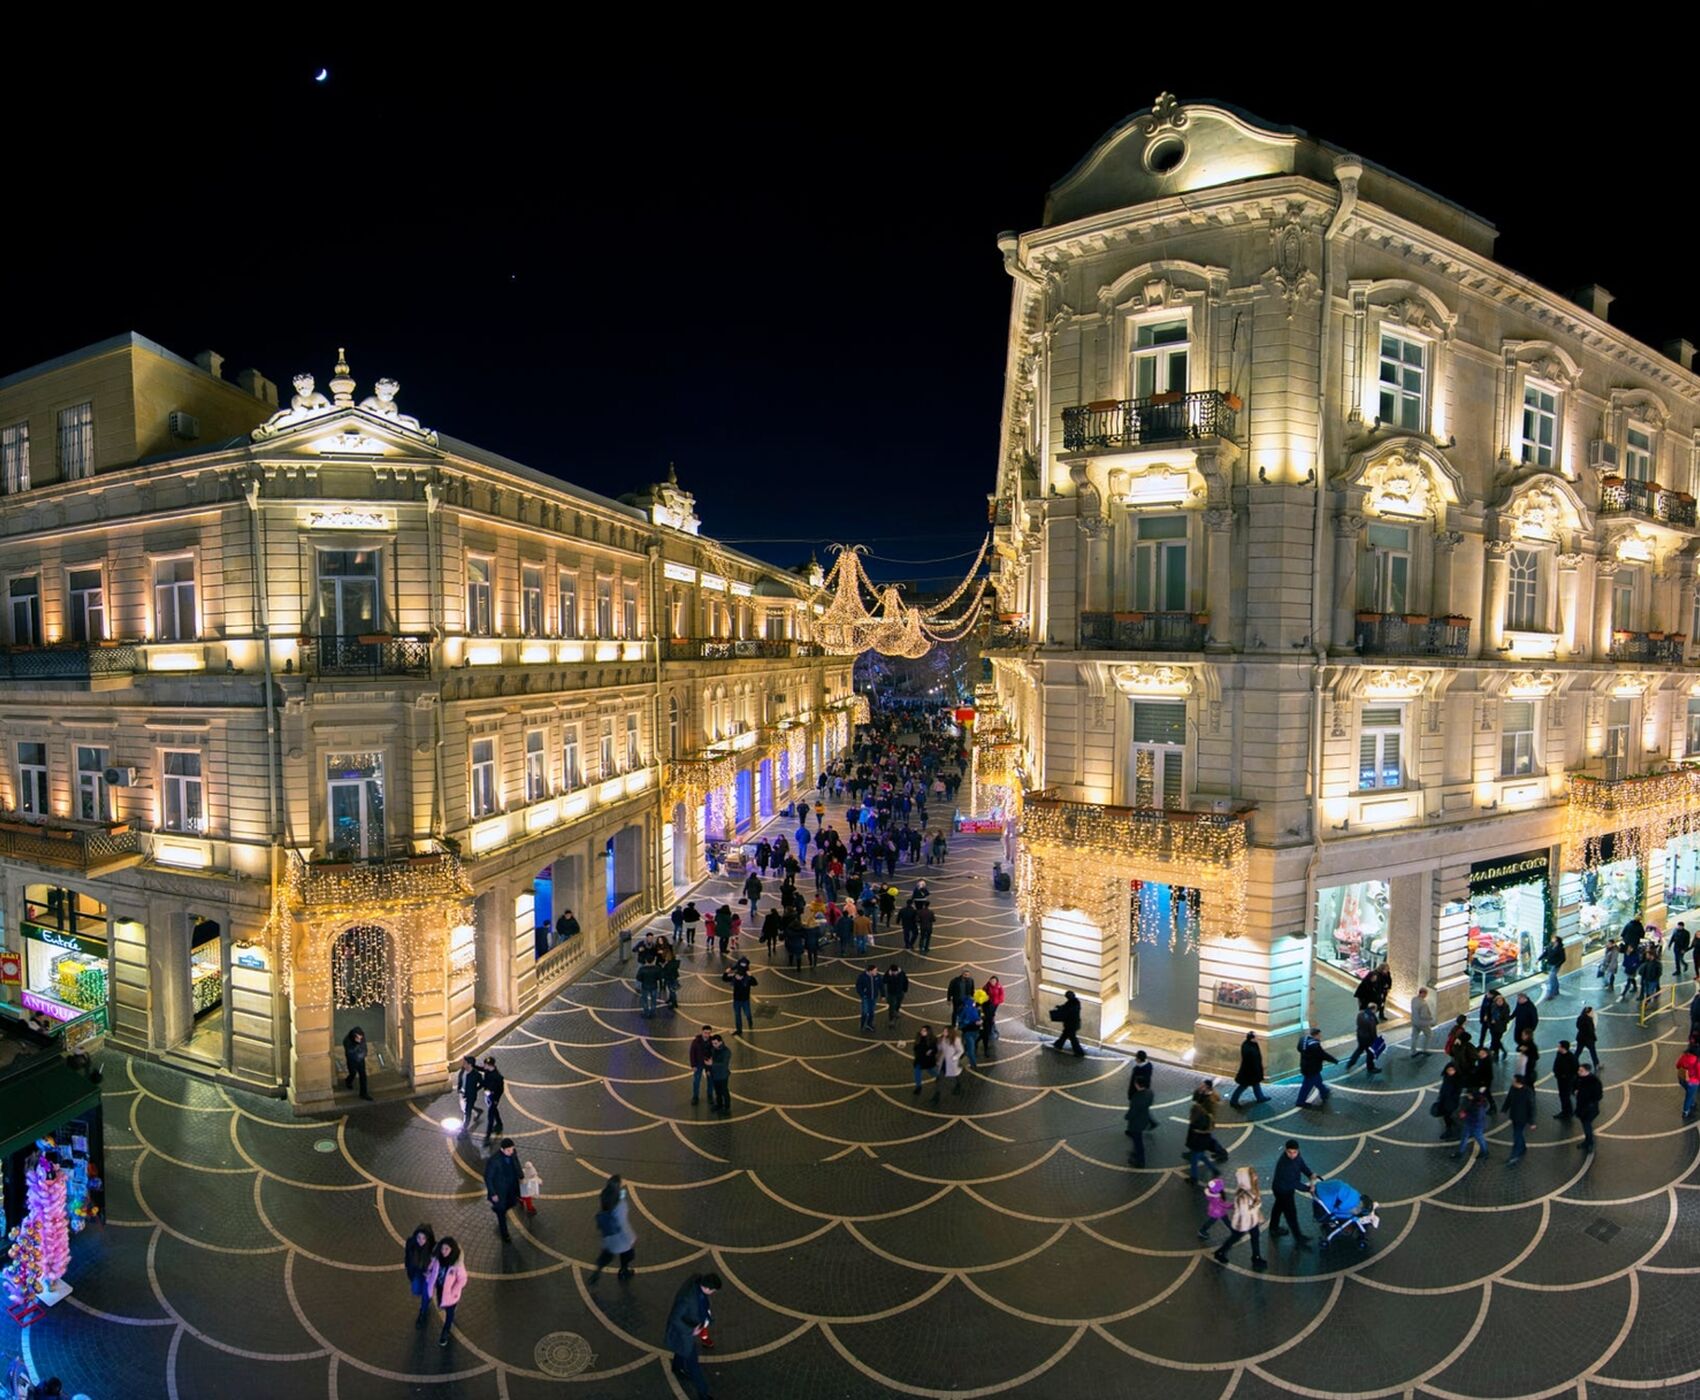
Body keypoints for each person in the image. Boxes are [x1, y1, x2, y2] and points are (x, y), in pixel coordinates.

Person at [665, 1270, 720, 1399]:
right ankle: (703, 1393)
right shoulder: (688, 1299)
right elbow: (675, 1318)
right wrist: (691, 1331)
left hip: (685, 1332)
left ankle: (677, 1368)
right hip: (685, 1335)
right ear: (706, 1288)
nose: (713, 1294)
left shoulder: (696, 1284)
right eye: (712, 1291)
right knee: (694, 1366)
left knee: (681, 1350)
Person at [1213, 1166, 1268, 1271]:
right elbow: (1244, 1212)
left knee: (1254, 1236)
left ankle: (1256, 1257)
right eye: (1252, 1175)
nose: (1256, 1176)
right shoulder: (1242, 1195)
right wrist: (1257, 1205)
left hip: (1251, 1220)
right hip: (1242, 1222)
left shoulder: (1250, 1188)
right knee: (1235, 1237)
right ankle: (1220, 1252)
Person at [589, 1174, 636, 1283]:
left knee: (607, 1255)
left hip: (609, 1235)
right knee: (627, 1254)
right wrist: (630, 1237)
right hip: (620, 1236)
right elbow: (622, 1222)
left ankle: (597, 1273)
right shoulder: (620, 1205)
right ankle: (624, 1271)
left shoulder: (605, 1195)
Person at [424, 1237, 466, 1349]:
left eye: (447, 1249)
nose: (444, 1251)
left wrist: (454, 1291)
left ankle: (445, 1332)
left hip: (451, 1295)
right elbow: (431, 1269)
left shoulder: (457, 1264)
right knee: (443, 1304)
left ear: (452, 1249)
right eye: (442, 1248)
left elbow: (462, 1279)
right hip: (440, 1290)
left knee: (449, 1313)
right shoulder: (437, 1259)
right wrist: (429, 1276)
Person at [1269, 1141, 1313, 1241]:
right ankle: (1298, 1237)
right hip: (1283, 1191)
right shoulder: (1285, 1165)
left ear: (1298, 1151)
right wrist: (1309, 1189)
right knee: (1291, 1213)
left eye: (1295, 1152)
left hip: (1281, 1188)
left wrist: (1310, 1174)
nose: (1292, 1155)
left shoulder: (1296, 1157)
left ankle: (1273, 1228)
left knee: (1278, 1207)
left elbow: (1301, 1164)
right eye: (1290, 1152)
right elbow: (1294, 1183)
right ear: (1286, 1150)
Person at [484, 1137, 522, 1241]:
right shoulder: (494, 1161)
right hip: (500, 1191)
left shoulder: (513, 1153)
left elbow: (516, 1163)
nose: (511, 1152)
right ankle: (505, 1234)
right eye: (508, 1150)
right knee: (501, 1213)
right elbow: (488, 1178)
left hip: (511, 1187)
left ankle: (499, 1209)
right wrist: (493, 1193)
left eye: (512, 1149)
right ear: (502, 1149)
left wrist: (521, 1175)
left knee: (512, 1203)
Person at [1295, 1026, 1336, 1107]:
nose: (1320, 1037)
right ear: (1316, 1035)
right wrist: (1334, 1060)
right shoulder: (1315, 1045)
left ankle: (1324, 1092)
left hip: (1305, 1066)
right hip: (1312, 1068)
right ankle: (1300, 1101)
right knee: (1307, 1085)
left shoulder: (1303, 1040)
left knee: (1318, 1080)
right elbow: (1323, 1055)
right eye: (1319, 1035)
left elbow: (1298, 1048)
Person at [404, 1223, 436, 1328]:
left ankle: (423, 1312)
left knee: (425, 1294)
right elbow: (407, 1257)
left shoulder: (433, 1248)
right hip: (417, 1272)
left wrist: (431, 1273)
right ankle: (425, 1302)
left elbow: (437, 1264)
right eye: (418, 1237)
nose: (420, 1240)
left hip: (428, 1275)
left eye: (423, 1238)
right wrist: (409, 1269)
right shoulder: (411, 1244)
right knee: (416, 1290)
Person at [1229, 1030, 1269, 1107]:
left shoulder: (1248, 1044)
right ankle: (1233, 1101)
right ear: (1252, 1039)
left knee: (1256, 1084)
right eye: (1256, 1037)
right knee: (1243, 1086)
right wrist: (1259, 1070)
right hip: (1249, 1073)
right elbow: (1253, 1062)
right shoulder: (1250, 1049)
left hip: (1251, 1072)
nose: (1258, 1038)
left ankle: (1260, 1097)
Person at [1125, 1073, 1156, 1167]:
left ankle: (1140, 1161)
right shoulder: (1150, 1092)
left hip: (1136, 1123)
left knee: (1138, 1141)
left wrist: (1127, 1117)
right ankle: (1136, 1154)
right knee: (1137, 1139)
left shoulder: (1136, 1098)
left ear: (1137, 1084)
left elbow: (1132, 1112)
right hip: (1144, 1119)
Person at [1505, 1074, 1535, 1164]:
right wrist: (1505, 1108)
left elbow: (1531, 1107)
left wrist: (1532, 1122)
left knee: (1516, 1135)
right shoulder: (1513, 1088)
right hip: (1514, 1115)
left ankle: (1515, 1154)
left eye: (1514, 1080)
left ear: (1518, 1082)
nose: (1512, 1081)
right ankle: (1522, 1147)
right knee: (1517, 1133)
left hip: (1522, 1118)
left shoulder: (1527, 1092)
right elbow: (1509, 1099)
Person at [1346, 1005, 1383, 1076]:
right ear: (1373, 1009)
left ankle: (1350, 1064)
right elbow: (1373, 1030)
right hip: (1368, 1039)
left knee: (1359, 1050)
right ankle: (1371, 1068)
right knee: (1370, 1054)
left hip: (1360, 1036)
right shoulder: (1371, 1018)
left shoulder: (1360, 1014)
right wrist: (1375, 1040)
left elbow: (1358, 1024)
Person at [1454, 1090, 1490, 1162]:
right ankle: (1461, 1152)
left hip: (1475, 1125)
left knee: (1478, 1138)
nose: (1468, 1096)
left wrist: (1464, 1116)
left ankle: (1485, 1151)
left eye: (1469, 1095)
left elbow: (1475, 1117)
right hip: (1473, 1124)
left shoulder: (1476, 1107)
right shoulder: (1480, 1103)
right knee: (1466, 1137)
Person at [722, 962, 757, 1036]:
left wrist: (751, 976)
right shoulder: (734, 978)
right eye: (736, 975)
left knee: (747, 1014)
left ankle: (750, 1021)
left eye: (738, 976)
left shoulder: (747, 980)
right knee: (737, 1015)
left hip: (745, 1001)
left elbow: (755, 983)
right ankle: (739, 1030)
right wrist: (726, 972)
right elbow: (724, 979)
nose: (737, 977)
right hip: (737, 1001)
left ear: (742, 976)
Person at [933, 1026, 966, 1101]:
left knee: (954, 1075)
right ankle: (937, 1094)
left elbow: (961, 1050)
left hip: (951, 1062)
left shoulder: (956, 1040)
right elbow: (940, 1048)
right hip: (943, 1061)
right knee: (939, 1077)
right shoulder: (943, 1039)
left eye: (945, 1031)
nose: (944, 1033)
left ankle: (958, 1085)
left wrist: (955, 1057)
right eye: (944, 1031)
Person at [1575, 1063, 1603, 1152]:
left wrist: (1589, 1101)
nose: (1579, 1072)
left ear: (1587, 1071)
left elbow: (1598, 1095)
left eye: (1581, 1070)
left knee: (1587, 1125)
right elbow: (1574, 1086)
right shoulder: (1579, 1078)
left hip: (1589, 1108)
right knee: (1586, 1124)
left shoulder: (1594, 1081)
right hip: (1582, 1107)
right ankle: (1588, 1141)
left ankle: (1589, 1142)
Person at [1198, 1172, 1232, 1242]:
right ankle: (1202, 1230)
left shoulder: (1210, 1194)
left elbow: (1206, 1189)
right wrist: (1233, 1206)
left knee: (1214, 1221)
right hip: (1218, 1212)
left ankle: (1202, 1231)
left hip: (1214, 1210)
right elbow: (1224, 1205)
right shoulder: (1217, 1198)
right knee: (1223, 1221)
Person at [1050, 989, 1085, 1057]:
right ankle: (1058, 1044)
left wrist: (1061, 1009)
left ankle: (1079, 1052)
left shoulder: (1074, 1003)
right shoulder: (1073, 1002)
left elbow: (1068, 1010)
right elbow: (1065, 1007)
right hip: (1072, 1024)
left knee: (1072, 1038)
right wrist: (1060, 1007)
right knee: (1065, 1035)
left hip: (1071, 1024)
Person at [1434, 1062, 1463, 1140]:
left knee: (1449, 1116)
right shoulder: (1446, 1077)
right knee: (1448, 1117)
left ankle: (1451, 1130)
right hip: (1444, 1101)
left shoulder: (1457, 1080)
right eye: (1449, 1070)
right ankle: (1451, 1129)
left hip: (1451, 1103)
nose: (1450, 1072)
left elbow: (1457, 1092)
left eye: (1452, 1070)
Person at [1552, 1039, 1579, 1120]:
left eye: (1559, 1046)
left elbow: (1575, 1070)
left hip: (1567, 1081)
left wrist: (1568, 1077)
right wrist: (1556, 1073)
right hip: (1560, 1079)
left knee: (1565, 1096)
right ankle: (1566, 1111)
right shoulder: (1559, 1054)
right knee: (1562, 1095)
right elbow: (1556, 1064)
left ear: (1563, 1048)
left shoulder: (1572, 1057)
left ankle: (1567, 1112)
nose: (1558, 1047)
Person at [342, 1025, 371, 1100]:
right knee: (353, 1073)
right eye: (358, 1037)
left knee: (363, 1076)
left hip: (360, 1060)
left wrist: (361, 1055)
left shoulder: (362, 1038)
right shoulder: (347, 1040)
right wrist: (357, 1045)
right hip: (352, 1060)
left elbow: (364, 1049)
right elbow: (349, 1052)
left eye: (361, 1037)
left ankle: (363, 1093)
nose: (360, 1039)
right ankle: (348, 1081)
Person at [689, 1025, 715, 1106]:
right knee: (696, 1081)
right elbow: (692, 1053)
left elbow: (715, 1052)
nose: (707, 1035)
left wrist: (712, 1062)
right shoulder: (696, 1041)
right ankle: (695, 1096)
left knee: (710, 1081)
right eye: (705, 1033)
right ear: (702, 1032)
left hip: (709, 1064)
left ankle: (710, 1095)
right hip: (699, 1063)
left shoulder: (712, 1041)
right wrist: (693, 1065)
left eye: (708, 1033)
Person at [456, 1054, 483, 1130]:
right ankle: (478, 1111)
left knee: (467, 1112)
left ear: (469, 1064)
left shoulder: (476, 1074)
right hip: (462, 1093)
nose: (463, 1064)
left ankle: (464, 1128)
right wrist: (459, 1088)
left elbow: (482, 1083)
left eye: (464, 1062)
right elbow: (460, 1079)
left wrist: (475, 1089)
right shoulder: (463, 1070)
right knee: (464, 1108)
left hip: (470, 1095)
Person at [707, 1035, 732, 1115]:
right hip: (715, 1074)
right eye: (713, 1043)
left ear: (720, 1042)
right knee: (717, 1091)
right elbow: (711, 1059)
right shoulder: (714, 1049)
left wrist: (712, 1064)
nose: (714, 1045)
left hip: (722, 1075)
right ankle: (719, 1104)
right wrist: (709, 1069)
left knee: (724, 1091)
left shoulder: (726, 1051)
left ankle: (727, 1107)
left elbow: (724, 1064)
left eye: (715, 1043)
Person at [481, 1056, 506, 1137]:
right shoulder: (488, 1070)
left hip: (494, 1098)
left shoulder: (498, 1077)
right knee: (494, 1110)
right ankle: (499, 1123)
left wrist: (496, 1100)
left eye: (485, 1064)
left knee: (490, 1116)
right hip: (488, 1096)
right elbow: (481, 1069)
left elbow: (500, 1090)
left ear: (489, 1065)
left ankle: (488, 1136)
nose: (484, 1066)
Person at [1410, 987, 1436, 1057]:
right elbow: (1424, 1015)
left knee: (1414, 1036)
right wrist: (1430, 1018)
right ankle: (1425, 1049)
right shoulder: (1423, 1003)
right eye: (1425, 994)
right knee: (1429, 1035)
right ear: (1423, 993)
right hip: (1422, 1023)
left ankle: (1413, 1051)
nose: (1426, 996)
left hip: (1414, 1021)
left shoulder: (1413, 999)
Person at [855, 964, 882, 1032]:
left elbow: (881, 985)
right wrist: (863, 994)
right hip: (866, 998)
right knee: (865, 1012)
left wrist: (883, 994)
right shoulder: (862, 977)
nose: (876, 972)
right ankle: (862, 1024)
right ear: (870, 971)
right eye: (875, 971)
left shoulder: (877, 976)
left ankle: (869, 1024)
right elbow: (858, 987)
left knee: (871, 1012)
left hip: (873, 997)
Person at [912, 1026, 938, 1094]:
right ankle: (918, 1087)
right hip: (919, 1060)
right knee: (917, 1073)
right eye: (922, 1030)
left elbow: (935, 1049)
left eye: (924, 1031)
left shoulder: (932, 1040)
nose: (922, 1032)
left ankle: (939, 1077)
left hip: (928, 1060)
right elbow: (915, 1047)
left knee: (931, 1071)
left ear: (928, 1032)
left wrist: (931, 1051)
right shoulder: (918, 1038)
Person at [1540, 933, 1567, 999]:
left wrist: (1557, 965)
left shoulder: (1560, 949)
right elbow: (1545, 953)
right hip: (1550, 964)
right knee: (1553, 978)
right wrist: (1539, 959)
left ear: (1557, 941)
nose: (1552, 939)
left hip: (1555, 965)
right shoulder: (1550, 946)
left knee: (1551, 978)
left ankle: (1551, 994)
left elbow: (1563, 958)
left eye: (1553, 938)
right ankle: (1556, 991)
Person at [1680, 1038, 1700, 1121]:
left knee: (1689, 1093)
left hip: (1682, 1079)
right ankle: (1685, 1111)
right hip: (1693, 1082)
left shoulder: (1684, 1056)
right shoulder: (1697, 1062)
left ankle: (1692, 1103)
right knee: (1688, 1096)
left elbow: (1677, 1065)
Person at [1576, 1005, 1601, 1070]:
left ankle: (1572, 1063)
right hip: (1589, 1040)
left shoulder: (1580, 1018)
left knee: (1578, 1052)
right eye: (1592, 1012)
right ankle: (1597, 1065)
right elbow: (1591, 1030)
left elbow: (1578, 1026)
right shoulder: (1589, 1020)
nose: (1593, 1013)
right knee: (1593, 1053)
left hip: (1580, 1038)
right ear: (1588, 1013)